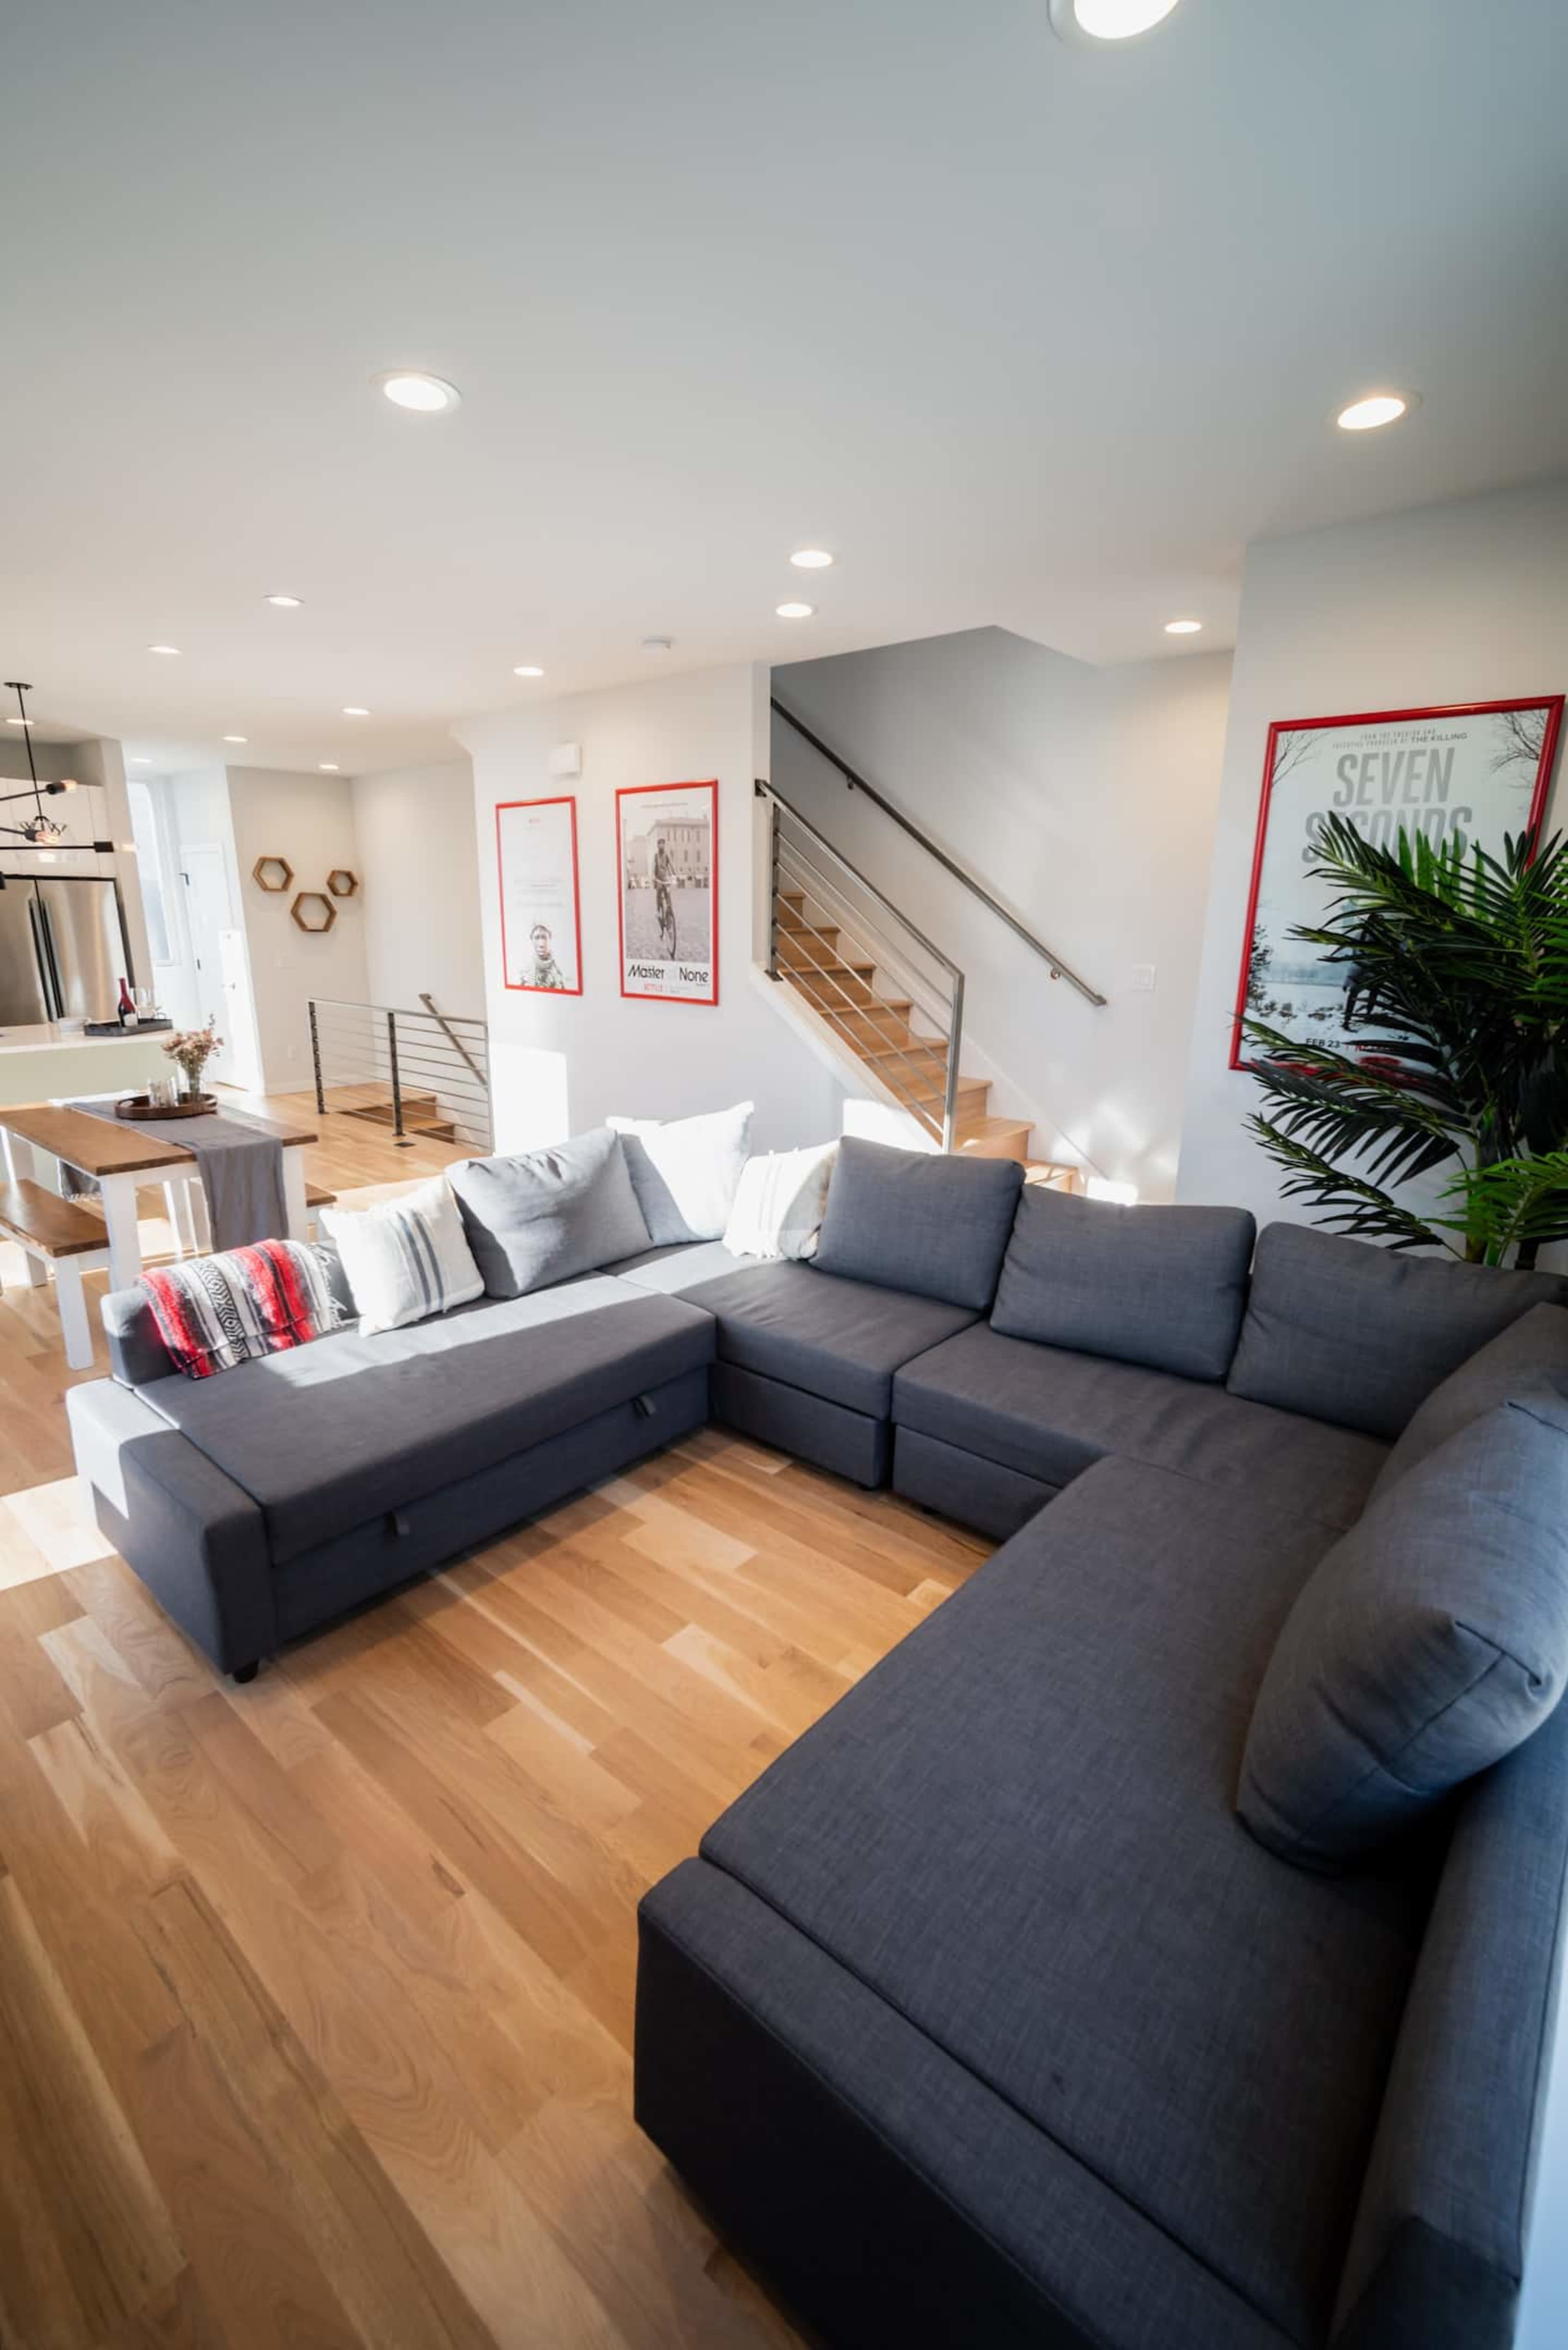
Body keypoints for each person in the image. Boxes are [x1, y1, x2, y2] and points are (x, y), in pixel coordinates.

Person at [528, 922, 569, 989]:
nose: (541, 944)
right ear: (532, 940)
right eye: (537, 938)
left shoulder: (560, 971)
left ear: (550, 939)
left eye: (544, 938)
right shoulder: (525, 972)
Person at [653, 837, 676, 951]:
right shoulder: (656, 856)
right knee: (658, 894)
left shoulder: (667, 855)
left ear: (665, 846)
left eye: (663, 844)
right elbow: (655, 868)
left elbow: (671, 866)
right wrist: (653, 877)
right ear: (658, 846)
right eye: (659, 844)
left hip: (666, 879)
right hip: (658, 879)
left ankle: (670, 926)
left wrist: (675, 875)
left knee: (669, 902)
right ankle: (658, 911)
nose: (661, 846)